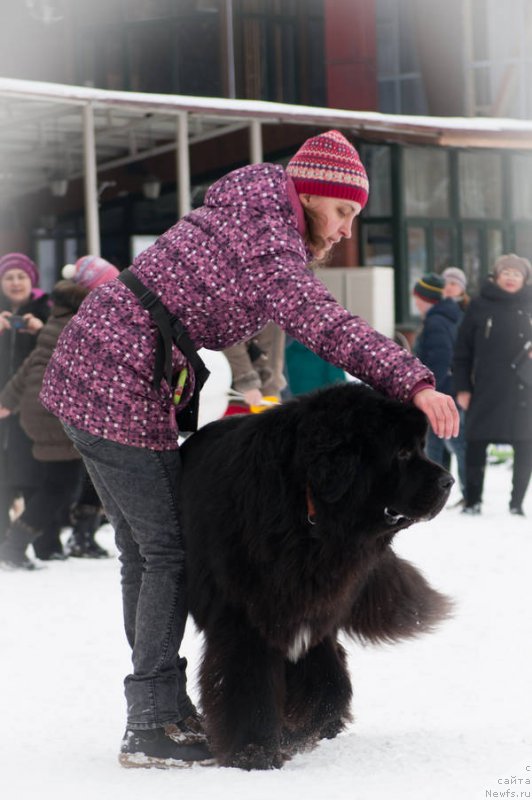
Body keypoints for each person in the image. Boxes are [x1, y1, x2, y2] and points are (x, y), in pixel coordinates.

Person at [39, 129, 458, 769]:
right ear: (313, 193)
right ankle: (151, 720)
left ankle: (158, 709)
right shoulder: (268, 234)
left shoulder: (255, 210)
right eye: (344, 211)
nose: (346, 229)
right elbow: (322, 321)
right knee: (165, 550)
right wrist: (412, 380)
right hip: (112, 378)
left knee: (145, 551)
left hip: (108, 372)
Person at [0, 256, 119, 568]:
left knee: (56, 482)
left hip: (42, 409)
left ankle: (34, 543)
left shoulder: (60, 318)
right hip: (53, 412)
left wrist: (9, 398)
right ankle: (14, 545)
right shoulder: (81, 323)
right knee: (59, 487)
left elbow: (34, 362)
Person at [453, 253, 532, 515]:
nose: (511, 277)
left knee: (525, 445)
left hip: (524, 388)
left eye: (517, 273)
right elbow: (462, 350)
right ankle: (473, 500)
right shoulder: (479, 305)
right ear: (496, 276)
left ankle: (516, 503)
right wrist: (462, 387)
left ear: (524, 279)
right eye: (506, 272)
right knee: (475, 443)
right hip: (486, 387)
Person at [0, 252, 49, 546]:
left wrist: (40, 331)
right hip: (1, 410)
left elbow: (61, 349)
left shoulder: (47, 311)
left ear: (32, 279)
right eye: (9, 277)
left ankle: (40, 542)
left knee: (34, 474)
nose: (16, 282)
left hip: (33, 409)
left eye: (21, 276)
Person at [412, 273, 467, 497]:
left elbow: (440, 358)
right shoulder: (447, 317)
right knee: (447, 442)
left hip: (441, 391)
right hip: (449, 389)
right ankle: (451, 492)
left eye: (416, 297)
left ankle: (436, 492)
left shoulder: (436, 321)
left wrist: (429, 388)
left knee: (443, 444)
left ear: (424, 298)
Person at [223, 321, 286, 412]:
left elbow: (272, 349)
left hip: (264, 392)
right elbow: (229, 338)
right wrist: (249, 384)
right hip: (238, 395)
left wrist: (272, 389)